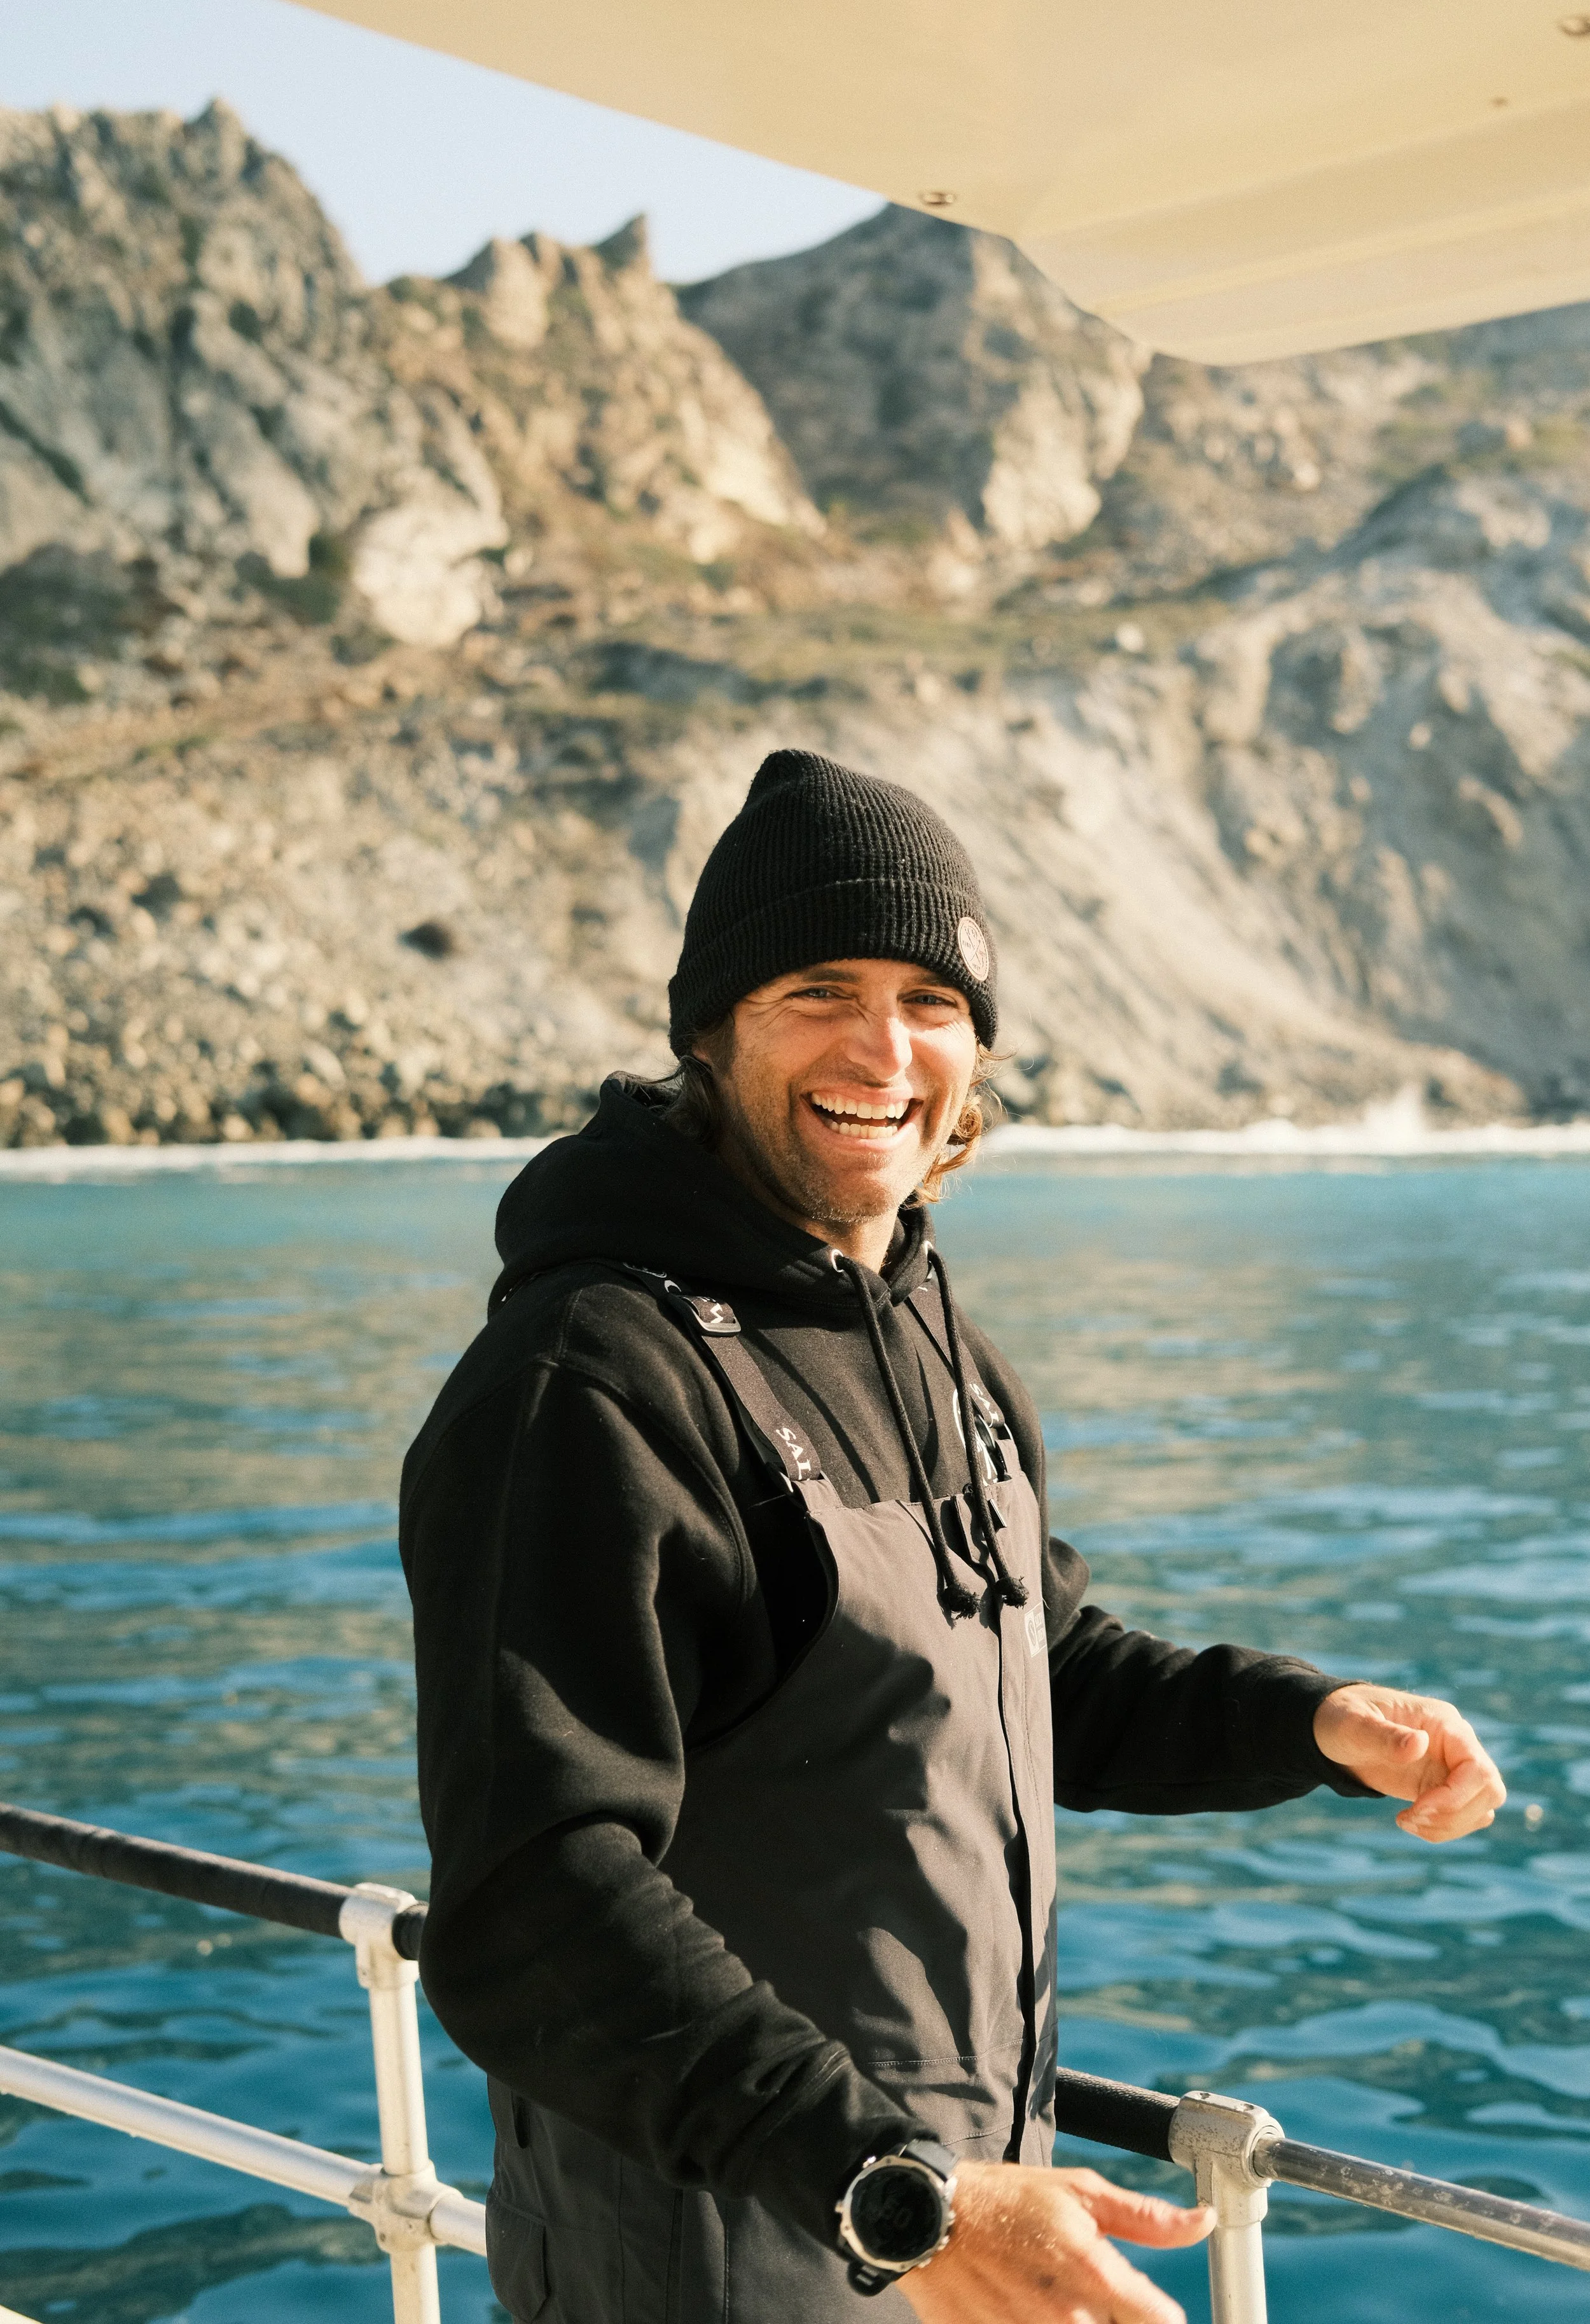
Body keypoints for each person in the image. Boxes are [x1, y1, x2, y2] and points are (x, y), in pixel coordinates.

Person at [400, 749, 1505, 2324]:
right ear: (709, 1032)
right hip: (736, 2260)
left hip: (969, 2243)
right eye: (817, 989)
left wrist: (1308, 1722)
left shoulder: (932, 1340)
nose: (882, 1044)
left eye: (930, 998)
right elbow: (531, 1900)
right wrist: (892, 2190)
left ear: (974, 1048)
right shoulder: (585, 1384)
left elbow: (1034, 1671)